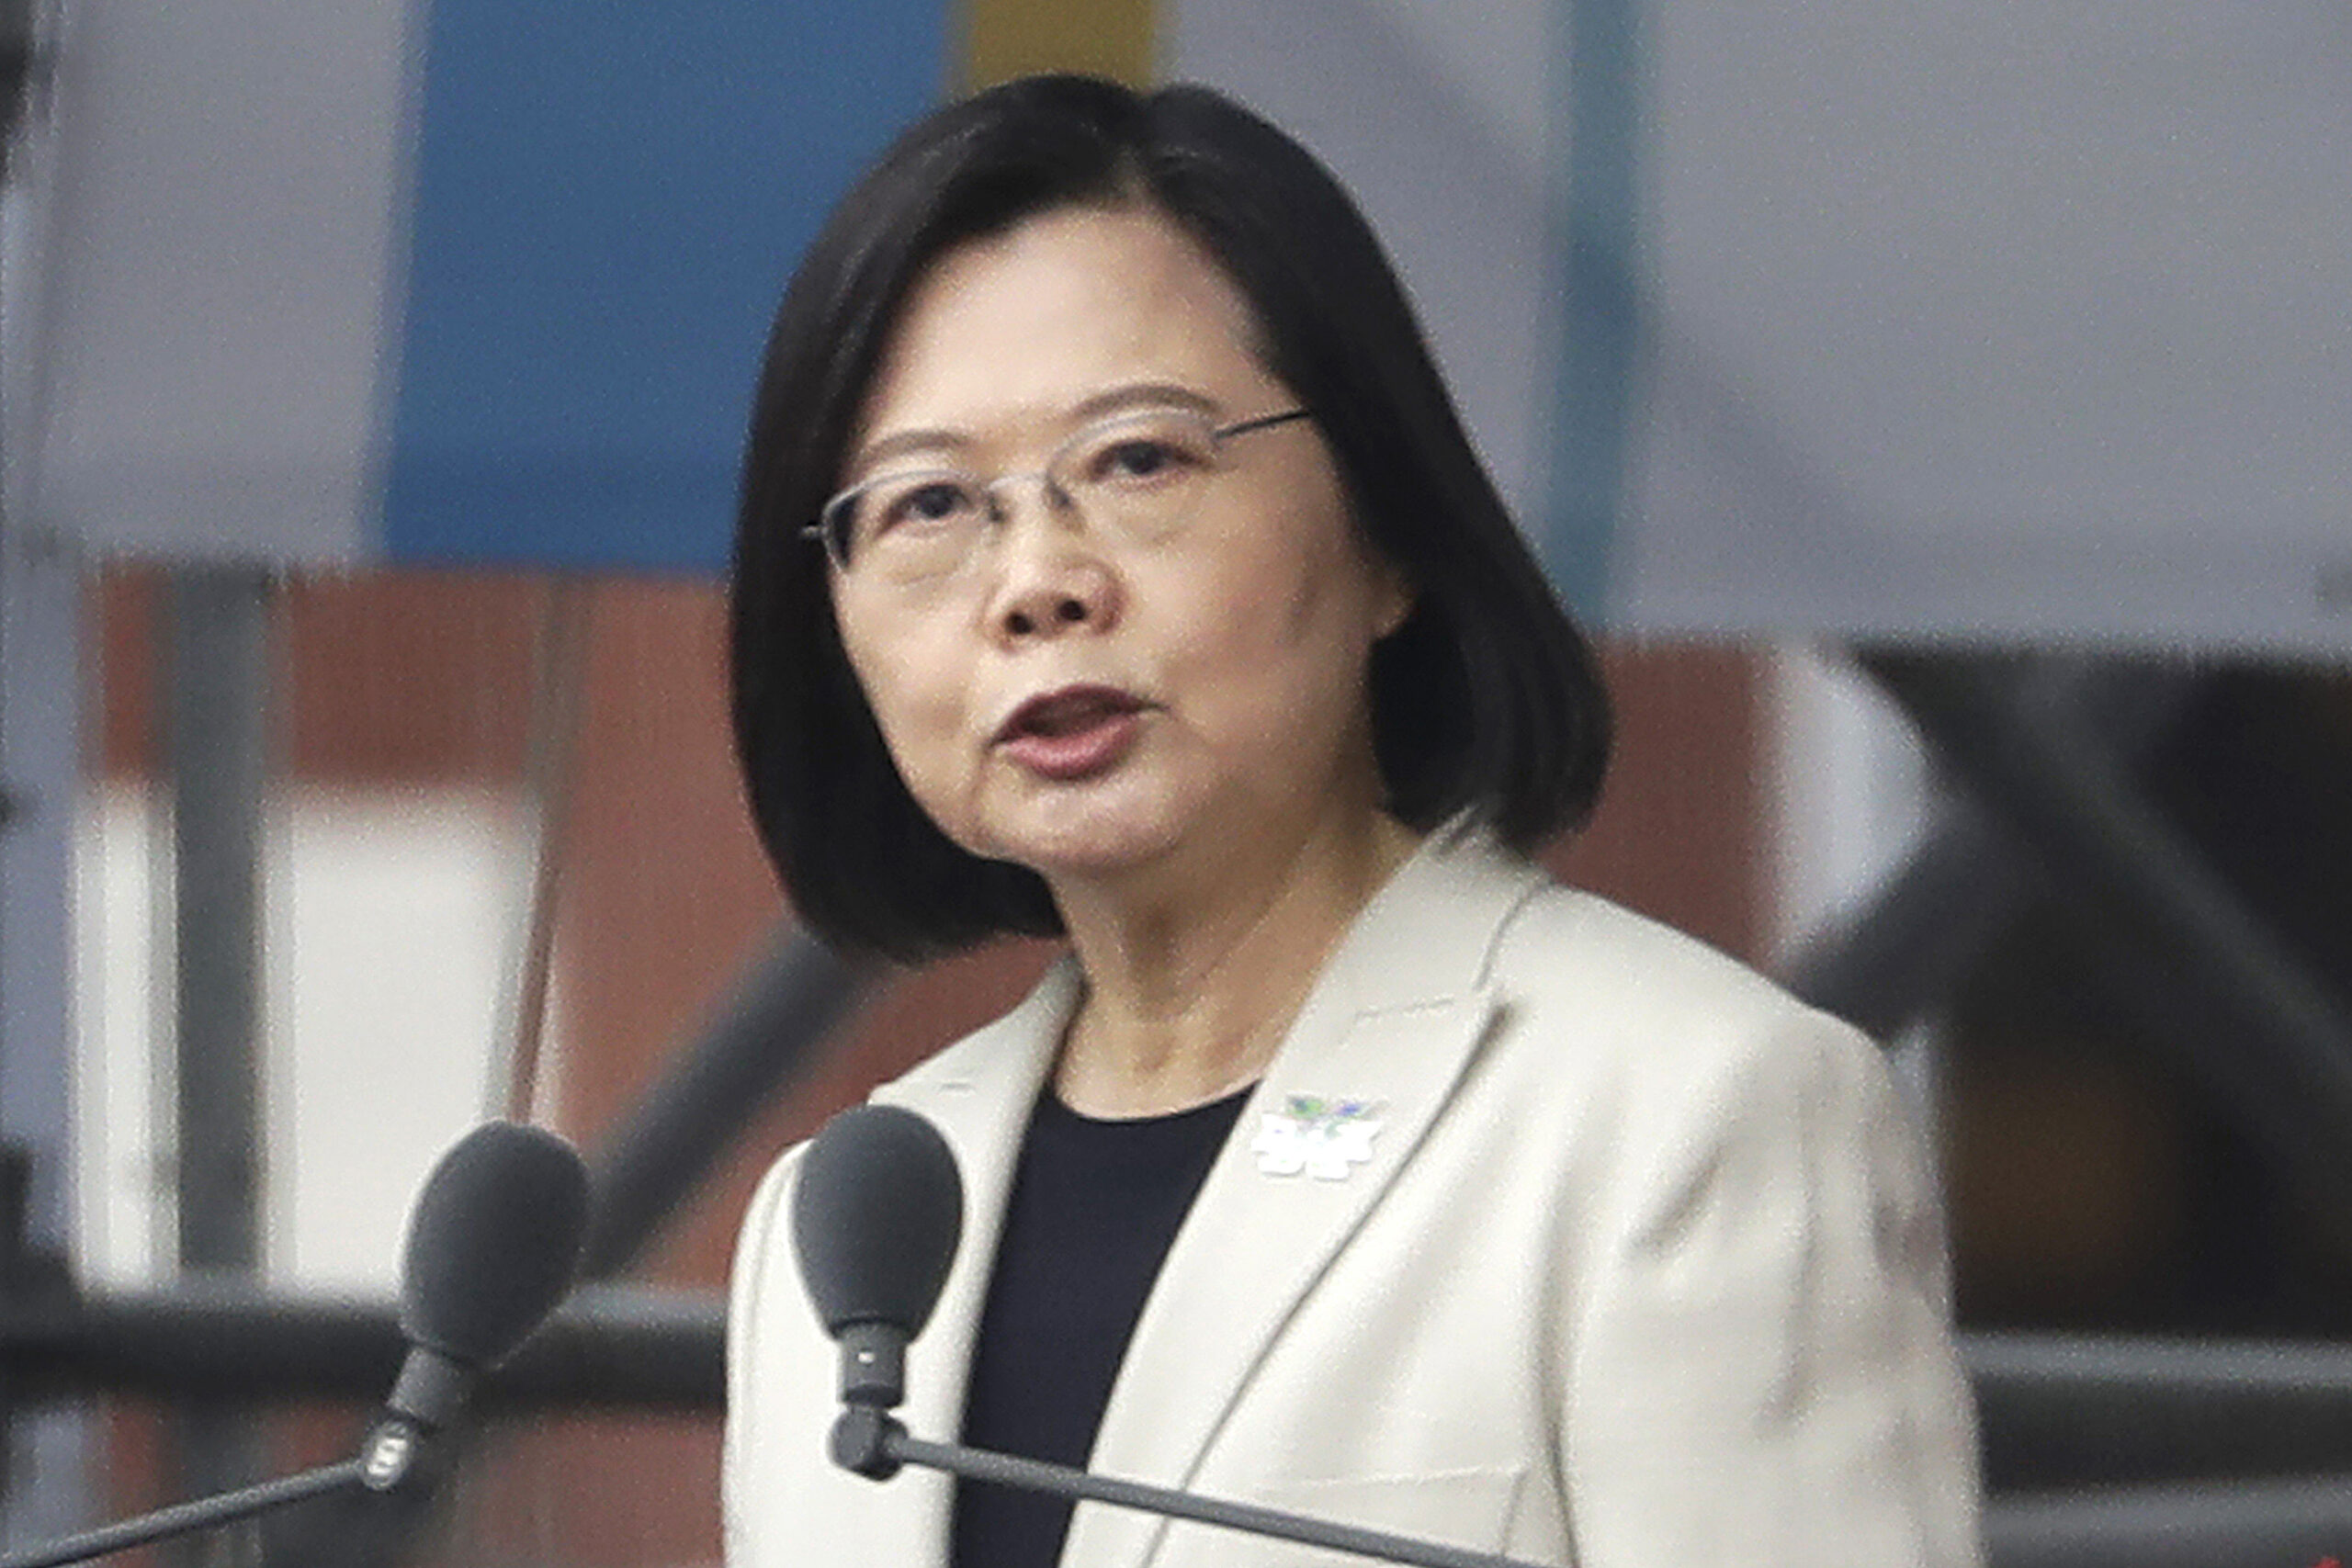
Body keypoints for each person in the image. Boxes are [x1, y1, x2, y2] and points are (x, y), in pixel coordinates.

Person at [723, 73, 1981, 1568]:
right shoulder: (835, 1232)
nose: (1036, 581)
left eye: (1138, 460)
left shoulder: (1689, 1122)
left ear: (1386, 536)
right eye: (928, 506)